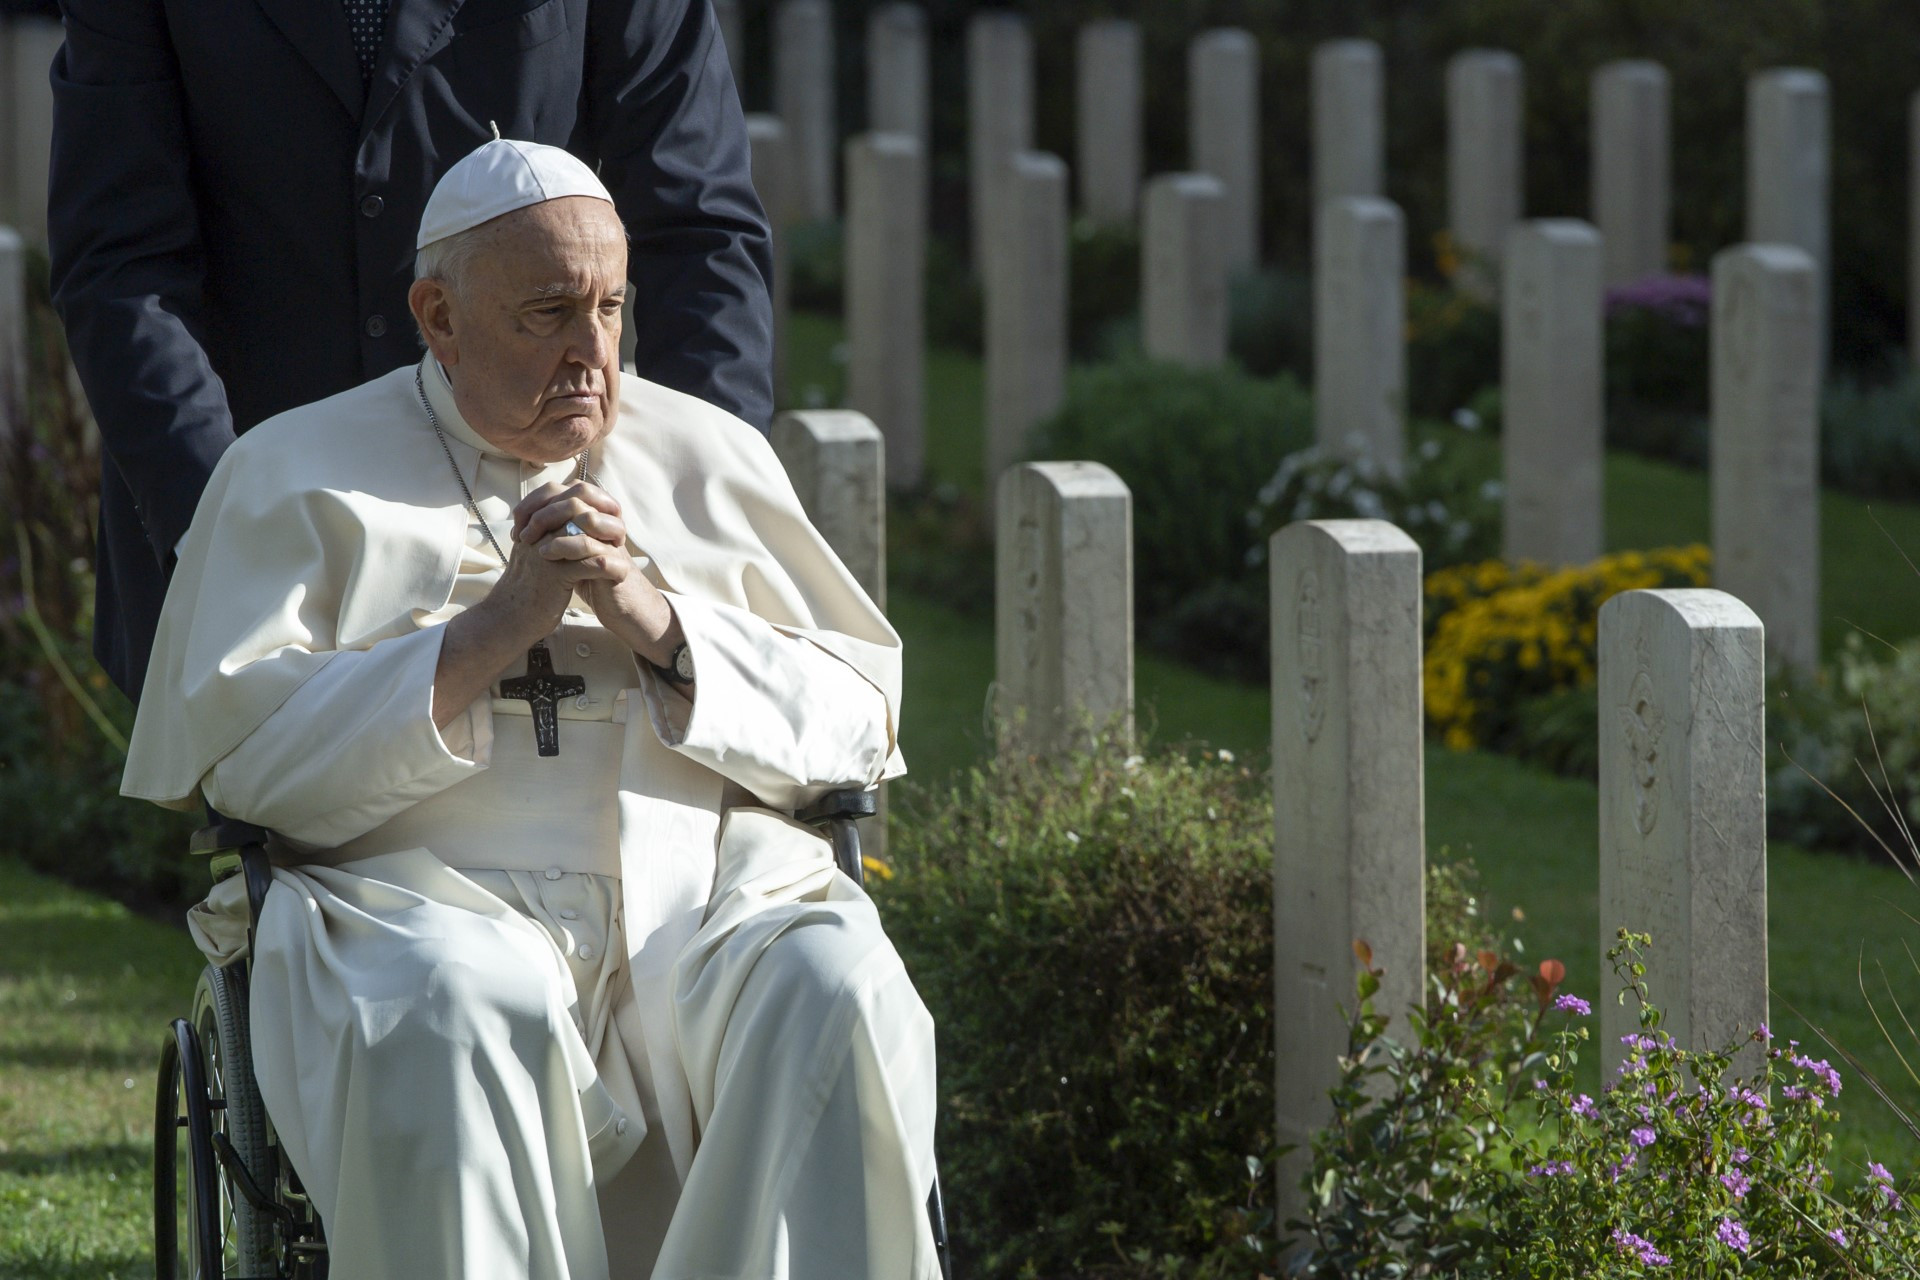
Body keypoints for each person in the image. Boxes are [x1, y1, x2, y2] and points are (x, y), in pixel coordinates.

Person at [121, 140, 935, 1280]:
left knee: (835, 984)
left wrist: (660, 622)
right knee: (462, 1005)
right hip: (411, 907)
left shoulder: (710, 454)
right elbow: (248, 770)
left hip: (700, 905)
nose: (592, 352)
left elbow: (856, 725)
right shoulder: (291, 472)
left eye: (610, 307)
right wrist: (492, 630)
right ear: (438, 315)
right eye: (548, 312)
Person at [48, 0, 772, 702]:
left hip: (554, 514)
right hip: (256, 533)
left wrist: (688, 519)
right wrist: (226, 533)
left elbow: (698, 232)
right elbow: (124, 263)